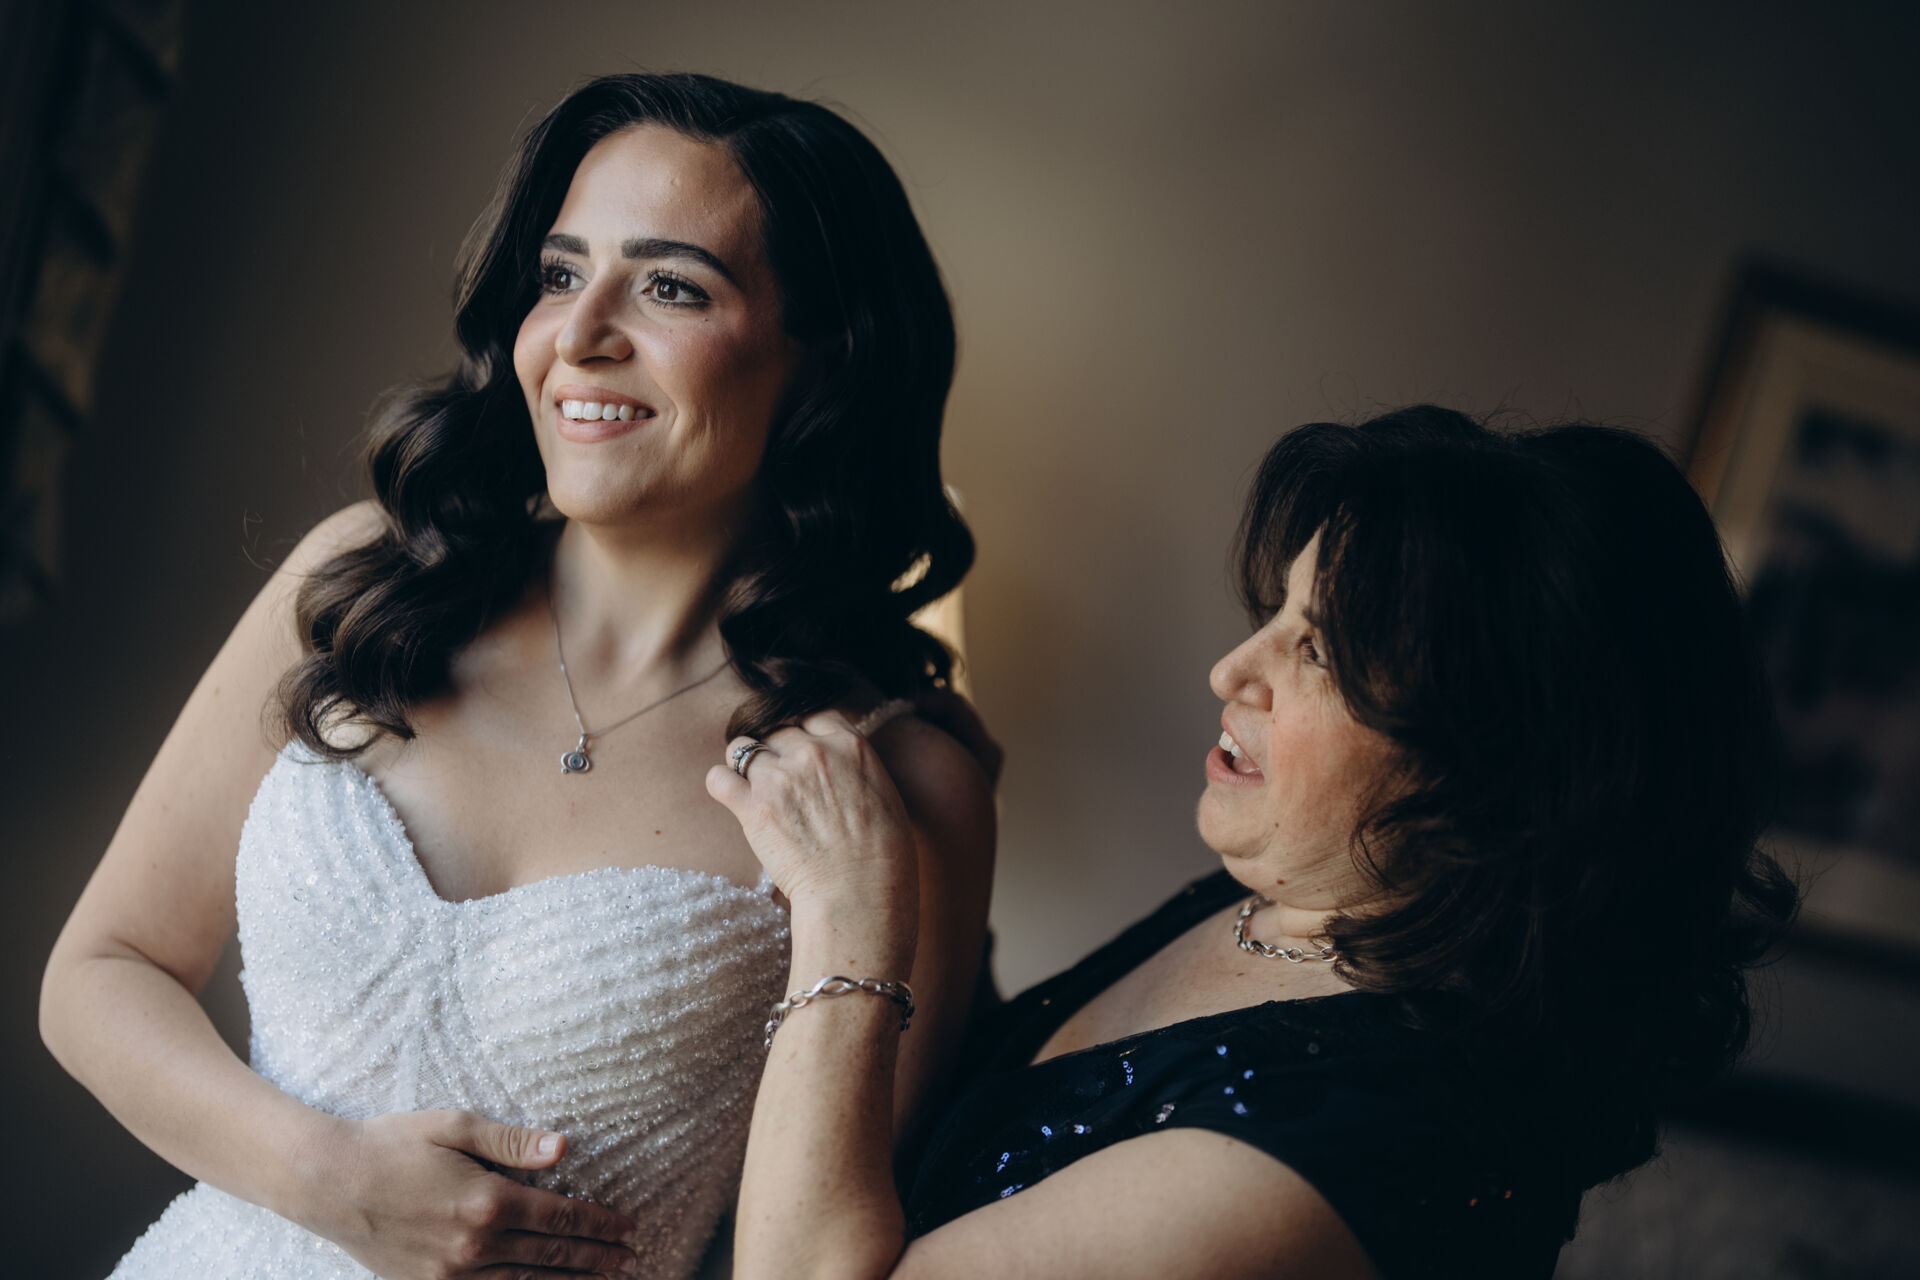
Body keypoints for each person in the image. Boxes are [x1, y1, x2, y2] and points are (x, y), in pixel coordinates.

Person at [39, 73, 995, 1280]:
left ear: (824, 356)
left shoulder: (897, 781)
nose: (579, 334)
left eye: (670, 286)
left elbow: (811, 1258)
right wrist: (331, 1180)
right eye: (558, 273)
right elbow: (101, 971)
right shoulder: (360, 585)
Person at [707, 405, 1799, 1279]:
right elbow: (1000, 1141)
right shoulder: (1287, 906)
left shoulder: (1354, 1144)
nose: (1233, 669)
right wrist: (954, 868)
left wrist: (851, 918)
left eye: (1319, 651)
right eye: (1277, 612)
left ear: (1499, 760)